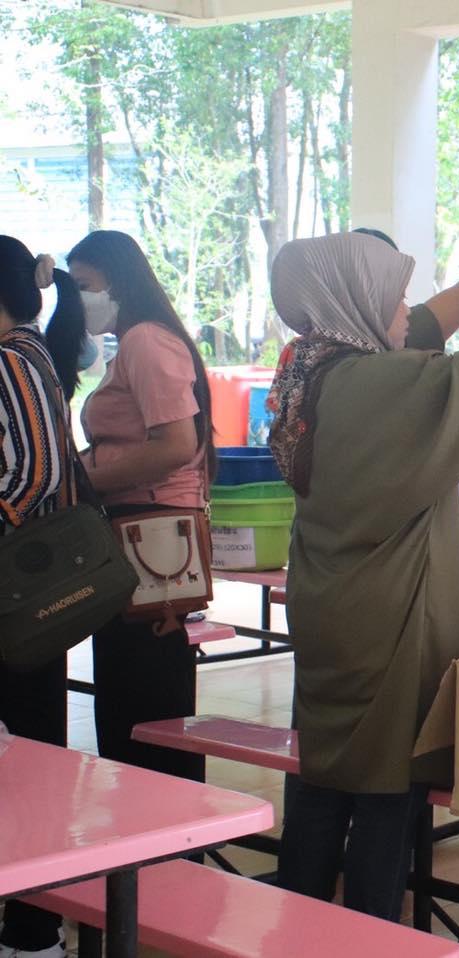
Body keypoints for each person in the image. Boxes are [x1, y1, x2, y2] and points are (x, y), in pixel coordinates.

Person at [267, 232, 459, 920]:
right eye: (395, 295)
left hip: (331, 604)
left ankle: (296, 928)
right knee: (387, 793)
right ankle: (373, 936)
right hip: (389, 619)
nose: (407, 310)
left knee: (323, 785)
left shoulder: (309, 368)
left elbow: (419, 331)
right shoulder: (374, 386)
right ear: (356, 302)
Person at [69, 230, 216, 784]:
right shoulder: (134, 341)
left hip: (151, 534)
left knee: (145, 699)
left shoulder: (147, 341)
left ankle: (166, 820)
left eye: (85, 285)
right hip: (136, 530)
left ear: (118, 280)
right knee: (129, 692)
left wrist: (82, 480)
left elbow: (176, 445)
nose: (79, 298)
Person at [0, 237, 85, 958]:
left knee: (25, 758)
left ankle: (33, 929)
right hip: (19, 592)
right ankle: (30, 921)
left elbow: (36, 472)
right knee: (27, 753)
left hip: (16, 591)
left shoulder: (13, 359)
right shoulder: (28, 354)